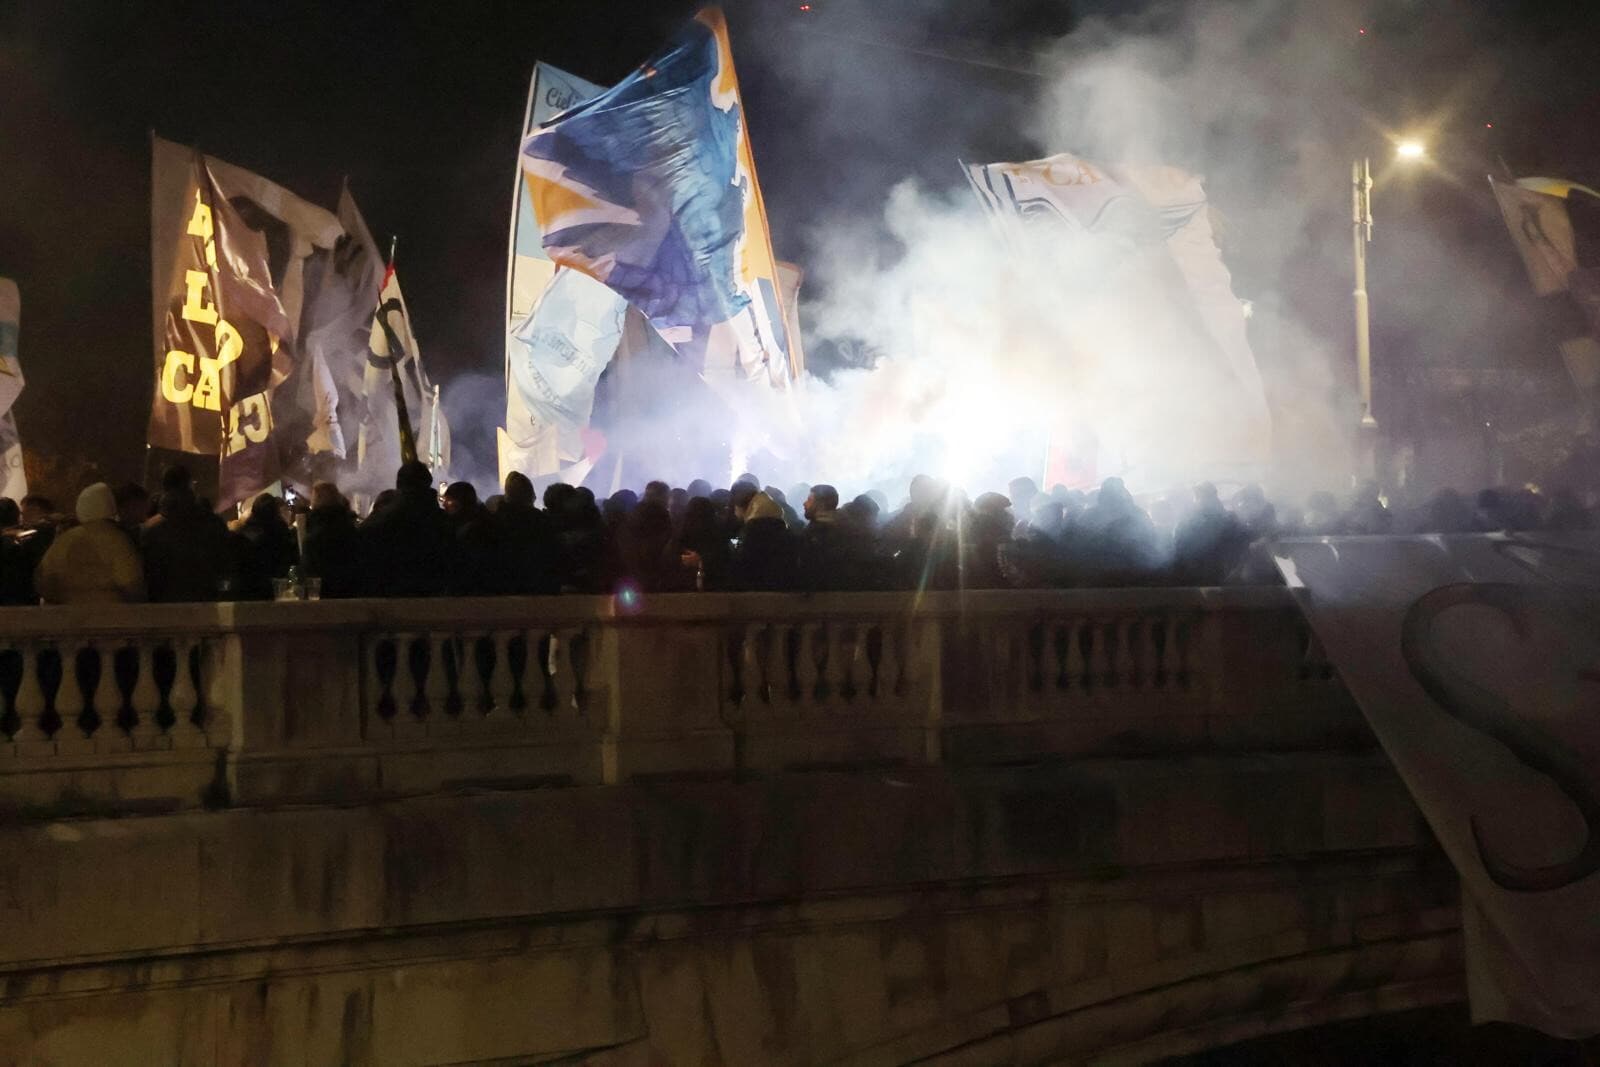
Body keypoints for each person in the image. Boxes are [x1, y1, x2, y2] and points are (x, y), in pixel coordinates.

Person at [35, 483, 145, 604]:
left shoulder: (65, 540)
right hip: (109, 612)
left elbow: (43, 582)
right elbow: (132, 584)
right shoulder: (117, 540)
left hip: (69, 611)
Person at [359, 462, 454, 597]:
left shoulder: (381, 519)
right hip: (433, 596)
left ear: (399, 484)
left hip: (389, 596)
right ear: (428, 483)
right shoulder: (442, 521)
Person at [143, 474, 232, 602]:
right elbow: (225, 564)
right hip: (207, 600)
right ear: (190, 486)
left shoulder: (151, 528)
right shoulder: (213, 523)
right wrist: (224, 594)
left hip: (165, 603)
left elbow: (149, 573)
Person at [495, 472, 561, 595]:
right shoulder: (539, 520)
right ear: (530, 494)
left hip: (504, 584)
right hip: (538, 584)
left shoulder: (496, 520)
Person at [232, 492, 299, 600]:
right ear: (276, 510)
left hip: (247, 589)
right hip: (275, 586)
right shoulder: (280, 531)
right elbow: (289, 557)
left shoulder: (244, 532)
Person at [301, 482, 361, 598]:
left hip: (322, 599)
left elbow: (309, 574)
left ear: (316, 500)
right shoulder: (352, 530)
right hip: (351, 596)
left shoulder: (314, 537)